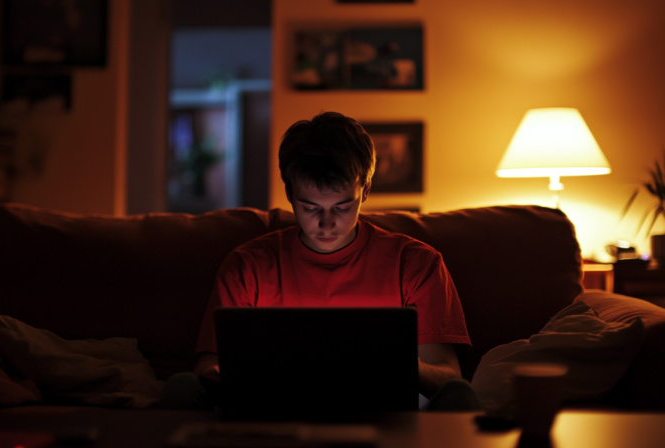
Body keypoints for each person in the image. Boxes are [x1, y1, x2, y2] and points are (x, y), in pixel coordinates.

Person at [159, 111, 480, 411]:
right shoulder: (248, 265)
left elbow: (449, 378)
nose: (327, 224)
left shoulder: (415, 263)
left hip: (385, 412)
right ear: (289, 192)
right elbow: (206, 367)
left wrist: (392, 360)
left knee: (460, 396)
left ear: (365, 191)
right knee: (183, 387)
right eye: (311, 207)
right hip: (272, 412)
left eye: (341, 207)